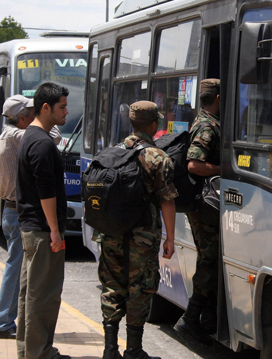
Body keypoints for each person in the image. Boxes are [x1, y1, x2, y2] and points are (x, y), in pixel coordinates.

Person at [99, 101, 177, 359]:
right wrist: (170, 238)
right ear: (154, 125)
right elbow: (167, 200)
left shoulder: (112, 152)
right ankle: (133, 350)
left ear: (131, 123)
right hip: (142, 238)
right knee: (140, 288)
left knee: (112, 286)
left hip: (111, 233)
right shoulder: (158, 158)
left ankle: (110, 350)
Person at [16, 82, 70, 359]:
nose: (66, 112)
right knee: (44, 295)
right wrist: (55, 232)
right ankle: (39, 352)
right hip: (41, 230)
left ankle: (30, 349)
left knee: (30, 294)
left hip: (31, 227)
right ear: (45, 107)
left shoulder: (30, 136)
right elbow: (45, 191)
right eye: (61, 107)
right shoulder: (42, 143)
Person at [174, 79, 221, 345]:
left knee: (210, 260)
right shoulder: (206, 126)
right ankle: (189, 320)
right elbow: (194, 165)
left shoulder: (209, 120)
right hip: (205, 205)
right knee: (209, 262)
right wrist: (223, 168)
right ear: (218, 97)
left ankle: (207, 320)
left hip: (209, 203)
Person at [0, 95, 35, 339]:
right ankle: (3, 321)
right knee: (15, 268)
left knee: (16, 267)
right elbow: (54, 138)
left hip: (11, 210)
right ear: (22, 118)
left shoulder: (8, 135)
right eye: (32, 111)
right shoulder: (17, 136)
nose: (36, 114)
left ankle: (6, 320)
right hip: (17, 212)